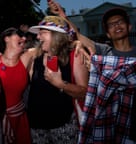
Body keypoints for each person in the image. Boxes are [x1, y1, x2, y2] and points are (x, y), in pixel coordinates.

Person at [48, 1, 136, 143]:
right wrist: (62, 15)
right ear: (107, 33)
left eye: (120, 22)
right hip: (114, 120)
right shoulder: (104, 53)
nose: (117, 26)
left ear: (129, 26)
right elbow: (77, 35)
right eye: (111, 25)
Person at [26, 15, 89, 144]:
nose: (38, 37)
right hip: (36, 126)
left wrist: (61, 84)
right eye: (38, 34)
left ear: (56, 35)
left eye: (43, 33)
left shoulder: (74, 56)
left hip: (62, 125)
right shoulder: (35, 56)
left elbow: (85, 92)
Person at [0, 27, 38, 144]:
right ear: (6, 39)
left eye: (24, 36)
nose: (24, 38)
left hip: (20, 119)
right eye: (19, 34)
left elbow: (53, 45)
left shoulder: (27, 57)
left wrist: (77, 42)